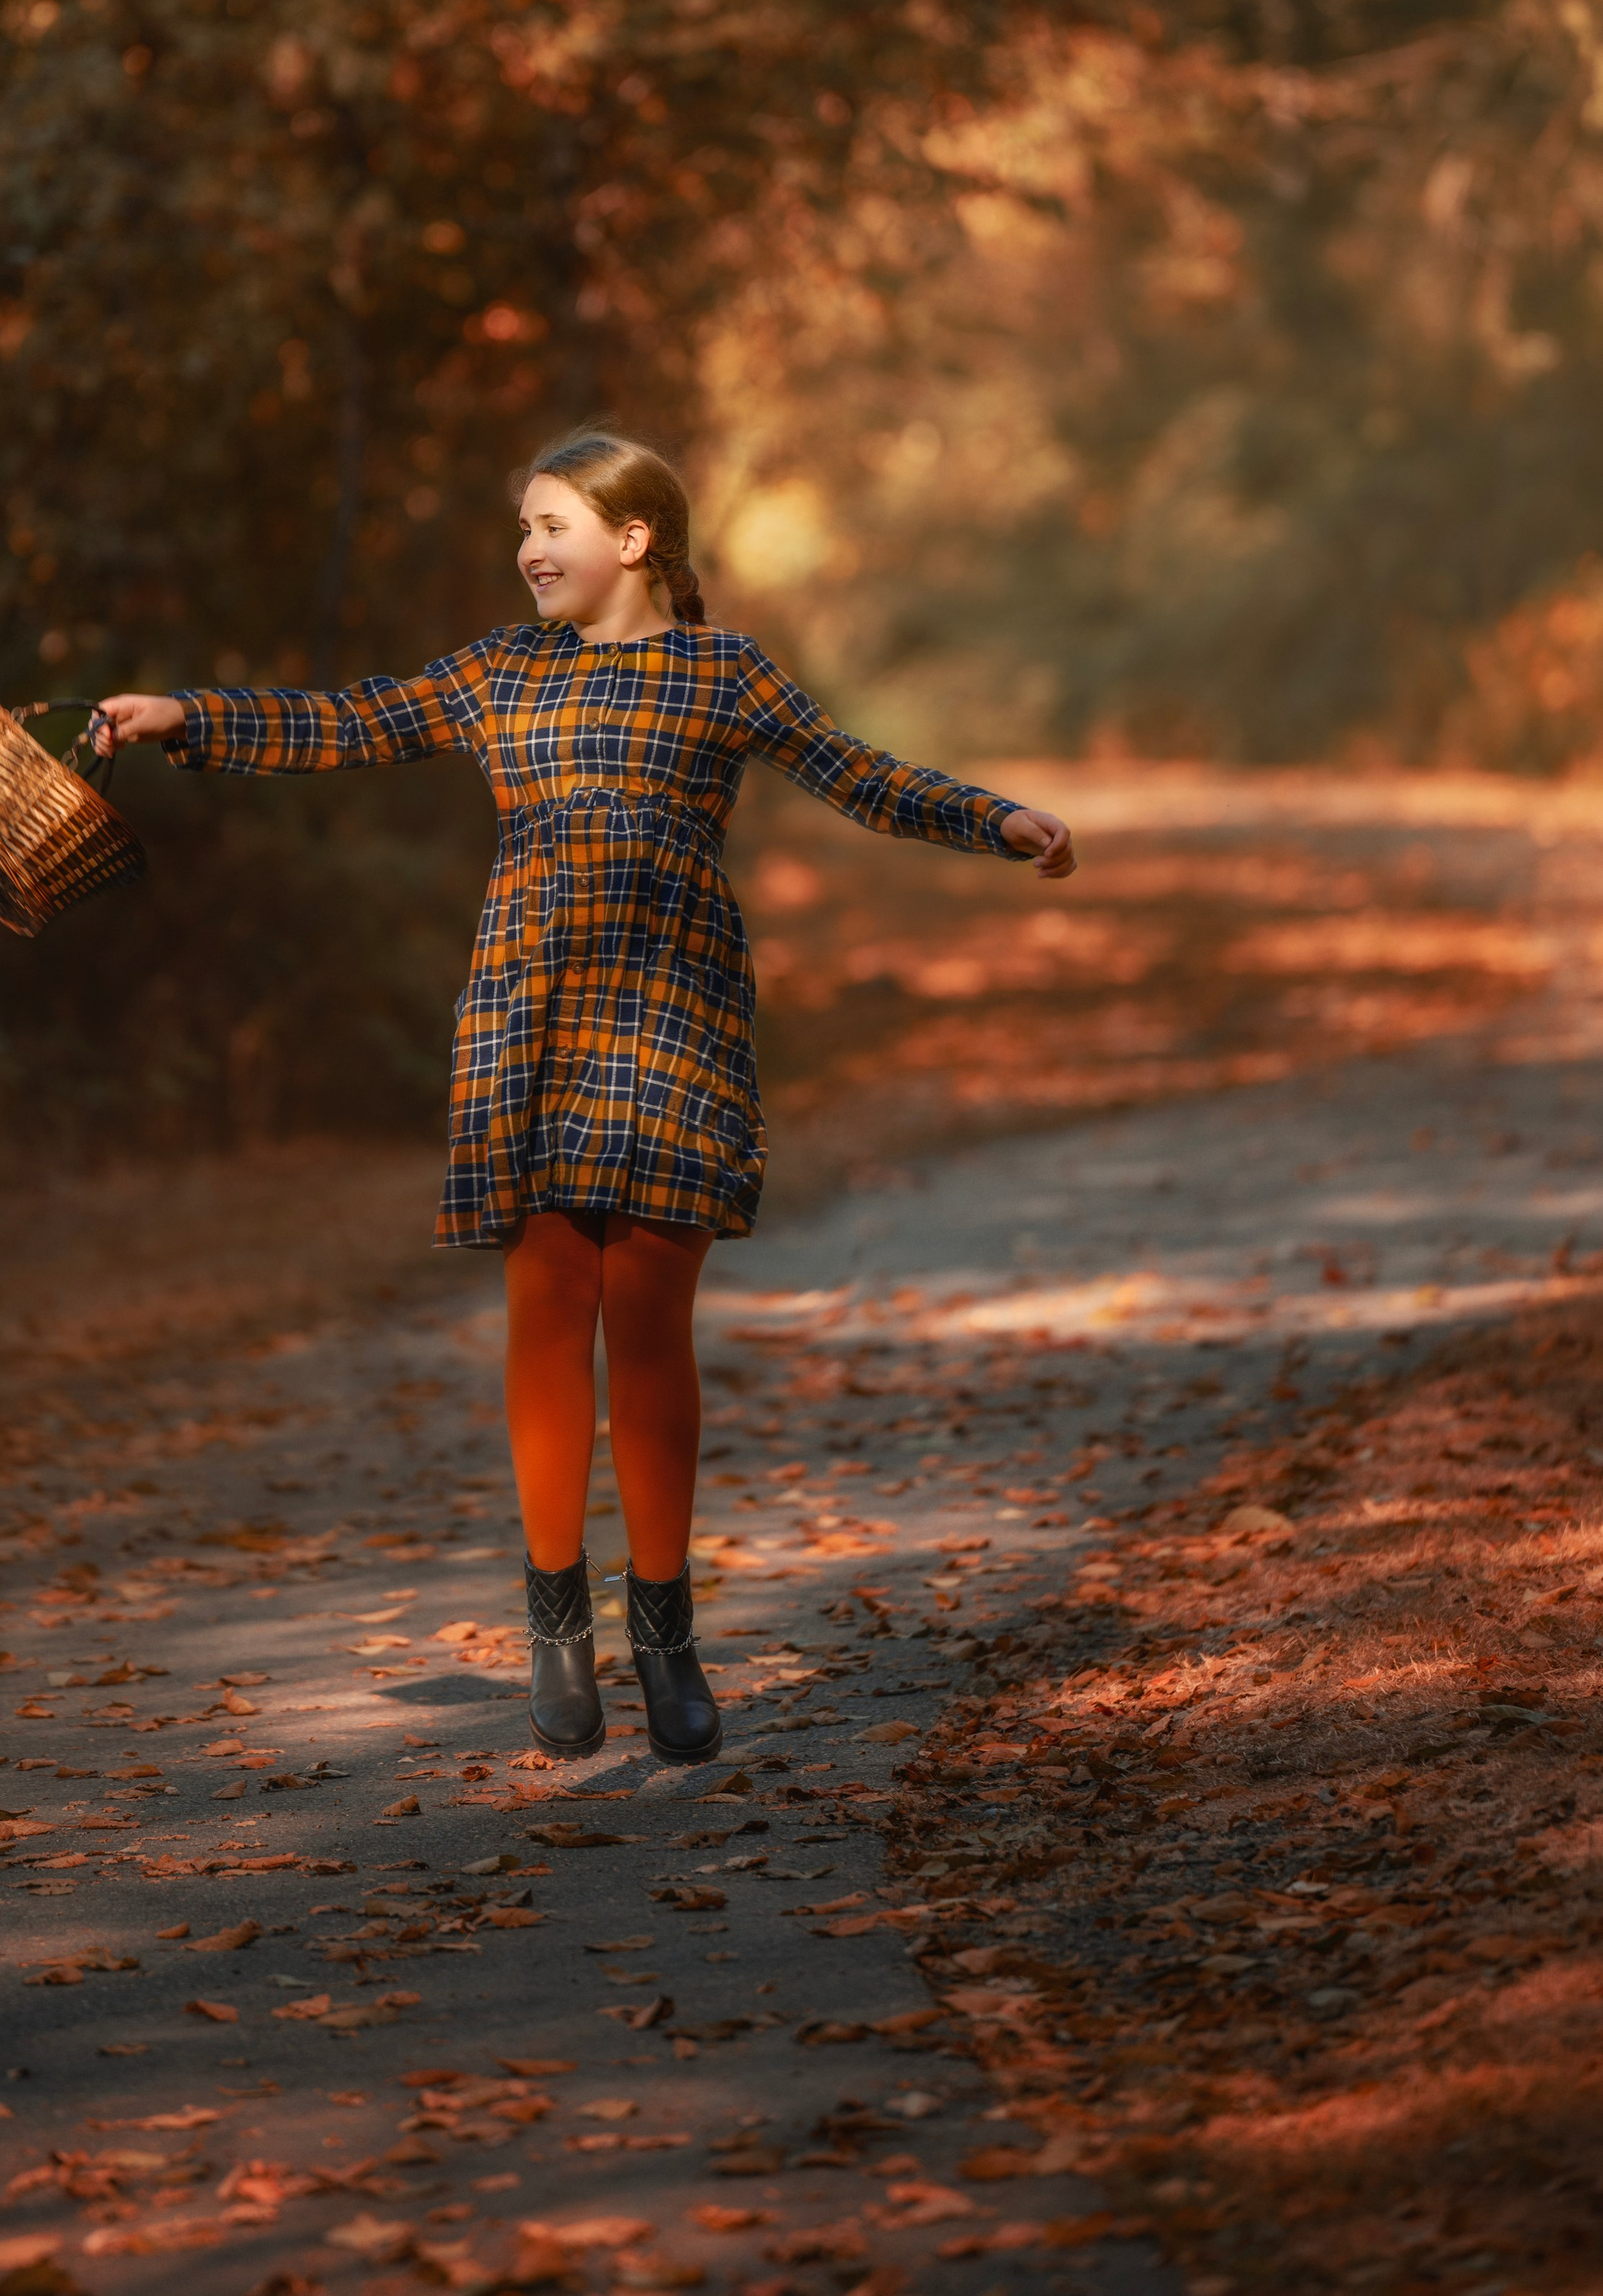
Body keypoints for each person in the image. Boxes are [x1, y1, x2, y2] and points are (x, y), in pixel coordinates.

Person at [95, 429, 1075, 1768]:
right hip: (528, 1009)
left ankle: (664, 1626)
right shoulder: (502, 671)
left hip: (674, 1010)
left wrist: (995, 817)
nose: (528, 549)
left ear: (631, 541)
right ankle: (556, 1620)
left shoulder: (725, 672)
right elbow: (353, 721)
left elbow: (861, 775)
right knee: (548, 1305)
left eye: (552, 524)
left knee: (649, 1317)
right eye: (524, 528)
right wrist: (186, 717)